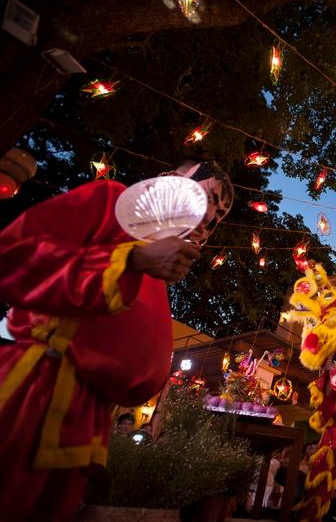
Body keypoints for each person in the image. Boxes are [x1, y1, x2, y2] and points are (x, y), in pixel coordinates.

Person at [0, 158, 233, 521]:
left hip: (87, 418)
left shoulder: (155, 264)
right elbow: (13, 257)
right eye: (202, 202)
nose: (205, 223)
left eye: (215, 220)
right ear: (169, 182)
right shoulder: (112, 201)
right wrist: (130, 259)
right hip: (37, 393)